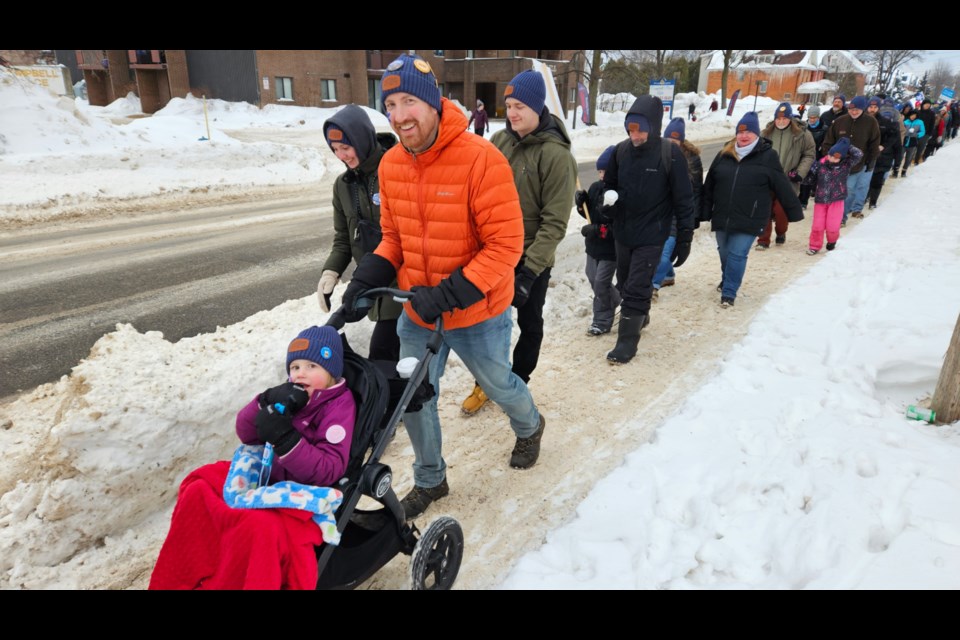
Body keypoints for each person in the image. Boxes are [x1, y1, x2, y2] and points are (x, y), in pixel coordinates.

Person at [338, 54, 544, 520]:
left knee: (497, 381)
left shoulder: (481, 159)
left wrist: (449, 295)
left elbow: (506, 246)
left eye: (409, 100)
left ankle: (530, 425)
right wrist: (365, 278)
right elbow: (394, 239)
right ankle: (431, 478)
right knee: (412, 396)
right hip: (418, 307)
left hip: (477, 310)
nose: (399, 114)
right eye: (390, 102)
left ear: (433, 103)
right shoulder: (391, 165)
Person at [150, 326, 356, 589]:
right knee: (199, 488)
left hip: (302, 496)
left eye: (312, 365)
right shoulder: (292, 395)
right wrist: (265, 401)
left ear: (331, 372)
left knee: (255, 528)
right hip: (268, 476)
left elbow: (329, 468)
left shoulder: (338, 407)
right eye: (294, 367)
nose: (300, 373)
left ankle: (231, 577)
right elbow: (246, 433)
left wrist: (286, 440)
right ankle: (184, 574)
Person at [461, 69, 577, 414]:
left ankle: (518, 382)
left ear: (537, 107)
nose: (512, 113)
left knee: (529, 323)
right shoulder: (500, 141)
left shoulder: (557, 157)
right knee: (488, 324)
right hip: (492, 254)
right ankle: (486, 382)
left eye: (520, 106)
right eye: (509, 105)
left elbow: (555, 223)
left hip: (530, 259)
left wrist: (529, 271)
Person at [602, 95, 696, 363]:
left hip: (653, 235)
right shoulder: (620, 152)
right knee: (624, 282)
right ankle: (640, 315)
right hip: (624, 232)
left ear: (653, 126)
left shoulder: (670, 153)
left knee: (637, 287)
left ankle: (626, 343)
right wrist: (606, 205)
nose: (635, 135)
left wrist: (685, 237)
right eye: (630, 129)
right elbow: (609, 187)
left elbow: (684, 199)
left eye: (640, 129)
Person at [318, 105, 401, 362]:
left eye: (346, 147)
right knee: (391, 361)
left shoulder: (397, 169)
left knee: (383, 355)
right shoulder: (343, 186)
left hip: (403, 281)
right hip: (371, 283)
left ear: (361, 138)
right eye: (335, 150)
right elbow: (343, 237)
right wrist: (331, 271)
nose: (341, 155)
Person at [701, 112, 803, 307]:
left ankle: (729, 293)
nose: (744, 135)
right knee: (724, 252)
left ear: (757, 134)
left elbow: (781, 184)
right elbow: (710, 184)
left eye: (748, 131)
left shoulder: (767, 156)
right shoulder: (724, 153)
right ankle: (727, 278)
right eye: (740, 132)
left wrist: (793, 211)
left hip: (751, 216)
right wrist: (704, 211)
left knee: (738, 254)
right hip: (723, 214)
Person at [653, 117, 703, 301]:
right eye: (668, 140)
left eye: (675, 141)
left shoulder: (691, 159)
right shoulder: (656, 152)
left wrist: (693, 217)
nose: (671, 144)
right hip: (658, 210)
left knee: (664, 252)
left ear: (681, 141)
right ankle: (668, 275)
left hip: (677, 212)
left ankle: (653, 287)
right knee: (658, 248)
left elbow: (697, 190)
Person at [755, 102, 815, 249]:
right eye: (778, 118)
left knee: (781, 211)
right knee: (764, 210)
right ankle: (763, 240)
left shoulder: (802, 134)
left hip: (788, 180)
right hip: (766, 180)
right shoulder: (765, 134)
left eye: (784, 118)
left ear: (790, 119)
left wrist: (800, 173)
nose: (781, 121)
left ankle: (781, 232)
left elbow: (809, 154)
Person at [575, 145, 621, 334]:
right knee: (593, 278)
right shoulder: (595, 188)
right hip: (593, 247)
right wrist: (581, 204)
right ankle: (624, 303)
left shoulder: (619, 192)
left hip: (610, 249)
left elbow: (619, 226)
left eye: (606, 171)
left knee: (601, 282)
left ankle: (601, 320)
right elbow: (589, 215)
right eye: (600, 171)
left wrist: (596, 229)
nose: (602, 175)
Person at [820, 95, 881, 224]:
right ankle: (831, 212)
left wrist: (871, 160)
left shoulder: (870, 122)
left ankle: (841, 217)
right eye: (851, 109)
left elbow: (874, 143)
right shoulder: (840, 121)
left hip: (857, 165)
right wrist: (827, 156)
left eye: (857, 110)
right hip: (837, 164)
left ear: (863, 109)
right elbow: (829, 140)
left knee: (848, 190)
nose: (854, 112)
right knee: (833, 190)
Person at [804, 137, 863, 254]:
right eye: (831, 155)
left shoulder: (846, 165)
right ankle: (814, 246)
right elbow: (809, 179)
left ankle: (832, 241)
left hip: (837, 200)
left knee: (832, 226)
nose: (832, 159)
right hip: (821, 200)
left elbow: (858, 154)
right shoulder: (820, 164)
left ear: (842, 157)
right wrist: (801, 176)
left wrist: (846, 146)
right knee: (817, 226)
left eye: (836, 158)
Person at [865, 96, 900, 209]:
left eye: (875, 107)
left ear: (879, 108)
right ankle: (864, 198)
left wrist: (883, 146)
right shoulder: (863, 119)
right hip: (866, 155)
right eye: (871, 107)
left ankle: (873, 202)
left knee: (877, 180)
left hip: (882, 157)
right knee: (864, 181)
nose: (872, 109)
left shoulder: (886, 122)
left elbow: (894, 137)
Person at [799, 105, 827, 208]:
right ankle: (800, 200)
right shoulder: (804, 127)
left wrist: (821, 150)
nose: (811, 120)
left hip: (817, 156)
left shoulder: (824, 129)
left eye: (814, 117)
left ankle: (804, 200)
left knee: (810, 180)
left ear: (818, 117)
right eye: (810, 117)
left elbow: (826, 142)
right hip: (804, 155)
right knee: (802, 178)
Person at [898, 110, 925, 177]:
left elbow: (923, 131)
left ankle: (904, 171)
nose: (913, 116)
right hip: (904, 141)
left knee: (908, 158)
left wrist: (917, 134)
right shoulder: (905, 122)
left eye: (915, 115)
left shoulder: (920, 122)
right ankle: (895, 170)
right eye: (912, 115)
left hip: (913, 142)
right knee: (899, 157)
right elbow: (901, 131)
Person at [915, 99, 936, 163]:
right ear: (923, 105)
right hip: (916, 132)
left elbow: (932, 124)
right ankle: (910, 160)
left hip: (925, 134)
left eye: (928, 105)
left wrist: (929, 134)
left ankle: (916, 160)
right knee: (913, 147)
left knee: (920, 148)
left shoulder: (932, 113)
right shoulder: (918, 112)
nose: (927, 106)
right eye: (926, 104)